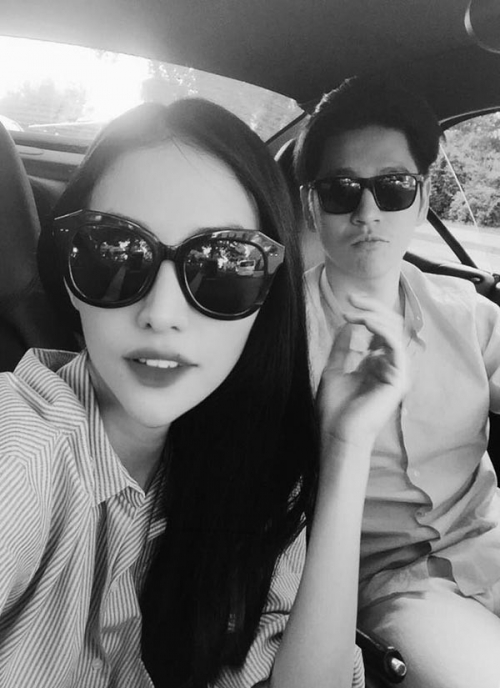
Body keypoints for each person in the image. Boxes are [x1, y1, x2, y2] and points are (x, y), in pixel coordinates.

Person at [0, 97, 407, 688]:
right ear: (67, 274)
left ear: (267, 299)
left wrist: (344, 449)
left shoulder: (252, 475)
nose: (162, 313)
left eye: (223, 264)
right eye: (115, 251)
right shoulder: (20, 447)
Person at [294, 75, 500, 688]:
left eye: (392, 188)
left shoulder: (469, 314)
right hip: (385, 587)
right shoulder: (276, 337)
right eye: (340, 191)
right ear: (310, 203)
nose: (367, 213)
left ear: (423, 194)